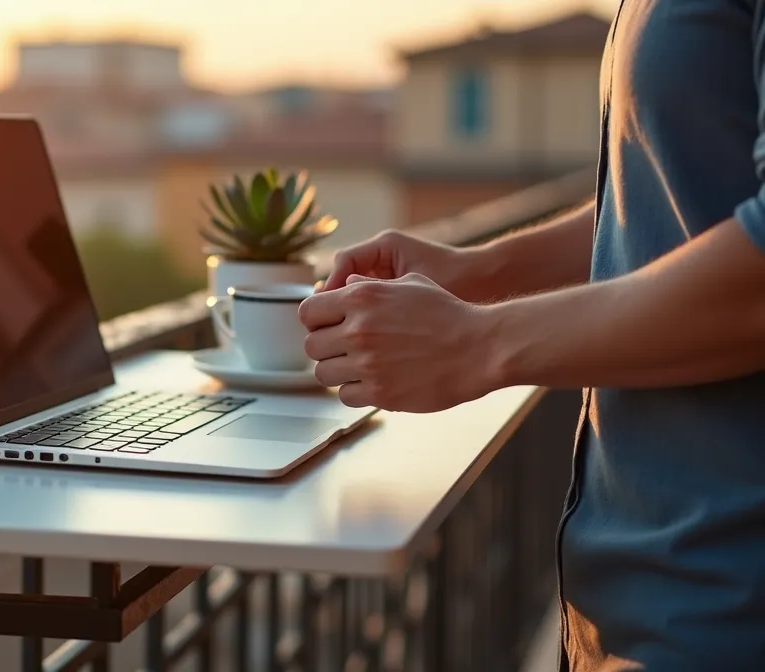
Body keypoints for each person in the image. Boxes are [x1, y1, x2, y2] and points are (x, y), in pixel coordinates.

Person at [297, 1, 765, 669]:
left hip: (726, 611)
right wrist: (478, 271)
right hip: (626, 603)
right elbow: (667, 195)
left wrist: (478, 342)